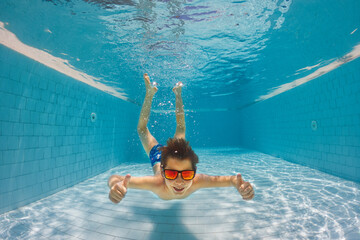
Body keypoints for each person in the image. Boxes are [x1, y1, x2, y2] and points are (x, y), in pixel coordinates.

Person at [108, 73, 254, 203]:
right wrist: (115, 186)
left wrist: (240, 184)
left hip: (163, 156)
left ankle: (174, 94)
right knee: (174, 129)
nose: (179, 182)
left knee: (149, 129)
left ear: (194, 172)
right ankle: (152, 94)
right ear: (163, 172)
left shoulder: (197, 181)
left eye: (187, 174)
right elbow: (115, 178)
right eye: (171, 174)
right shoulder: (156, 183)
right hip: (159, 155)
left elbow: (232, 179)